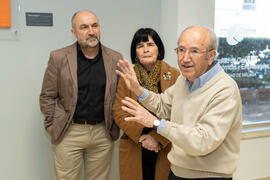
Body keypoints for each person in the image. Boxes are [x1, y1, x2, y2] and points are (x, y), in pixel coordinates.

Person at [116, 26, 242, 180]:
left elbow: (202, 141)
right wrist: (138, 90)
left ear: (211, 56)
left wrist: (155, 123)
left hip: (210, 175)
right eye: (181, 50)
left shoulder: (225, 89)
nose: (185, 58)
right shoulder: (184, 80)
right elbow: (163, 104)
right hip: (177, 171)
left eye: (194, 51)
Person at [39, 10, 122, 180]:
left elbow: (120, 96)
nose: (91, 31)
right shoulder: (59, 57)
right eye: (84, 27)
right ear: (73, 32)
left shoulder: (115, 58)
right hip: (69, 131)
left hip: (102, 133)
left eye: (95, 25)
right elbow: (47, 95)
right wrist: (53, 124)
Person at [113, 28, 180, 180]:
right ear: (135, 52)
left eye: (150, 44)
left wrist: (156, 137)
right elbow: (119, 112)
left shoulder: (174, 74)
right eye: (140, 46)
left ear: (159, 48)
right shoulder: (128, 76)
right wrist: (143, 137)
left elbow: (178, 111)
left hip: (163, 143)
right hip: (136, 142)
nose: (145, 50)